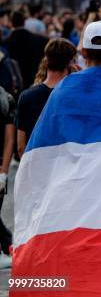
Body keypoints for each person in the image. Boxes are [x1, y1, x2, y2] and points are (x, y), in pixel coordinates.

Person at [12, 21, 101, 295]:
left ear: (82, 52)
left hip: (65, 194)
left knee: (63, 262)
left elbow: (38, 152)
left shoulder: (63, 91)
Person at [15, 38, 77, 157]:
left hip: (36, 166)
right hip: (65, 166)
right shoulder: (75, 95)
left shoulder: (27, 96)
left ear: (46, 60)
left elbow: (20, 146)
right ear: (70, 63)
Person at [3, 10, 48, 89]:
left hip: (15, 85)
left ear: (11, 23)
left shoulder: (5, 42)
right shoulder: (40, 40)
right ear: (24, 22)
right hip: (34, 80)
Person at [0, 84, 15, 268]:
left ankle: (6, 242)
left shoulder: (6, 98)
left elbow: (9, 138)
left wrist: (3, 171)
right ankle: (7, 241)